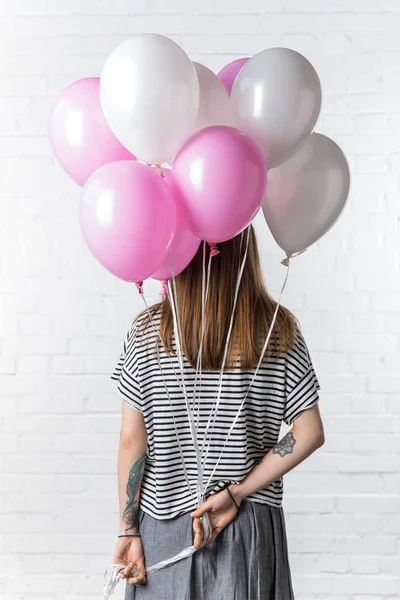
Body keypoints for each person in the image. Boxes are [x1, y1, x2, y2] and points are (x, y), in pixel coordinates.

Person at [111, 226, 325, 600]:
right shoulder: (278, 329)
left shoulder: (147, 330)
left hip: (163, 526)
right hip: (247, 524)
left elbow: (132, 441)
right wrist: (237, 492)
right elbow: (309, 432)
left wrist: (128, 530)